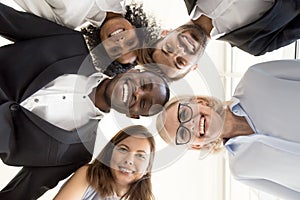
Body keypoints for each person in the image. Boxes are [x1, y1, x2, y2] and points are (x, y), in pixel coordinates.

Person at [0, 3, 169, 200]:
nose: (137, 93)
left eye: (143, 103)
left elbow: (23, 191)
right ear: (133, 71)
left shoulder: (78, 152)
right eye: (143, 84)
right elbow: (10, 21)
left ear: (133, 115)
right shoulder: (73, 43)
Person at [156, 60, 300, 200]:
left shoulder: (256, 77)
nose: (190, 125)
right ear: (195, 145)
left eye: (184, 114)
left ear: (200, 101)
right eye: (182, 134)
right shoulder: (241, 171)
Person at [139, 0, 300, 81]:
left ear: (164, 33)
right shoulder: (257, 44)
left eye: (168, 48)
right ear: (194, 67)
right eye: (180, 62)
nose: (181, 50)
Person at [12, 0, 160, 68]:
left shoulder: (63, 20)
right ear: (136, 29)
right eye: (130, 43)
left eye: (115, 50)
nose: (120, 41)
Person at [54, 125, 155, 200]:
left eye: (140, 155)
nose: (129, 160)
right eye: (123, 149)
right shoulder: (89, 175)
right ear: (110, 153)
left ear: (147, 168)